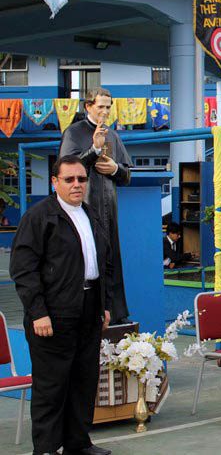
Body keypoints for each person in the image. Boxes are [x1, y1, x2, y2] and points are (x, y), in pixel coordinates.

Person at [11, 155, 113, 455]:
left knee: (84, 380)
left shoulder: (91, 215)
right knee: (52, 385)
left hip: (88, 307)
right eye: (69, 179)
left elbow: (102, 264)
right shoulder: (39, 217)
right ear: (55, 182)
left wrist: (104, 305)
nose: (77, 184)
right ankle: (45, 448)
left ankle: (78, 443)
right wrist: (38, 312)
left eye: (82, 179)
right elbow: (24, 269)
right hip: (53, 314)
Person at [60, 87, 132, 324]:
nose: (105, 112)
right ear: (88, 106)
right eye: (100, 106)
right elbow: (68, 169)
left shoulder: (114, 135)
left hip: (109, 208)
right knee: (88, 258)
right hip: (84, 208)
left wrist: (115, 168)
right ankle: (91, 313)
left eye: (108, 107)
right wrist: (94, 150)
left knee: (111, 260)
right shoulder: (73, 132)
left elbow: (126, 174)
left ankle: (115, 312)